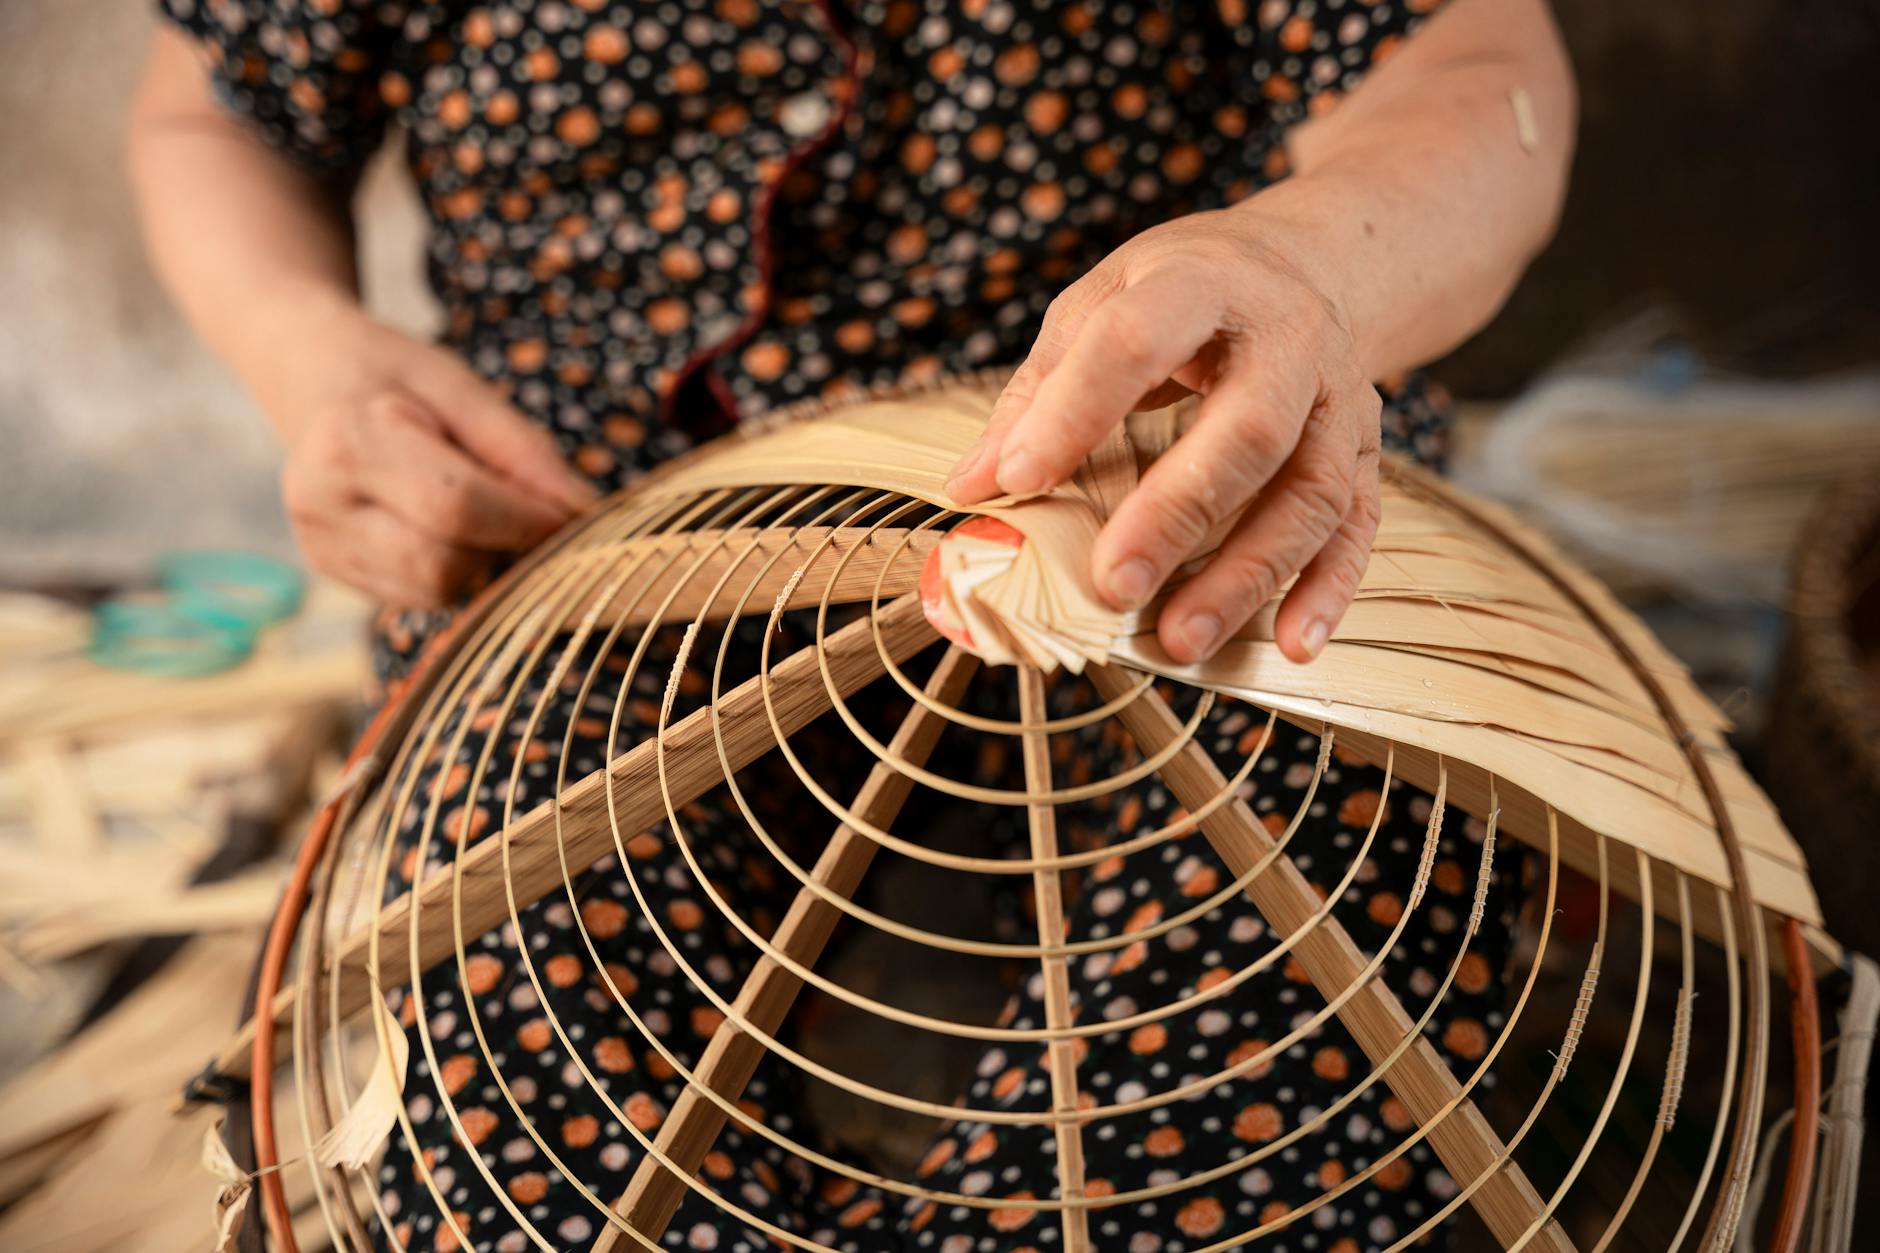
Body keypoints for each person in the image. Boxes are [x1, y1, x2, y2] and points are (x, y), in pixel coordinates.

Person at [130, 2, 1574, 1250]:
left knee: (1272, 1054)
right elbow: (213, 111)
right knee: (503, 1061)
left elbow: (1471, 68)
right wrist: (314, 362)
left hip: (1146, 507)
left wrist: (1309, 270)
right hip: (588, 547)